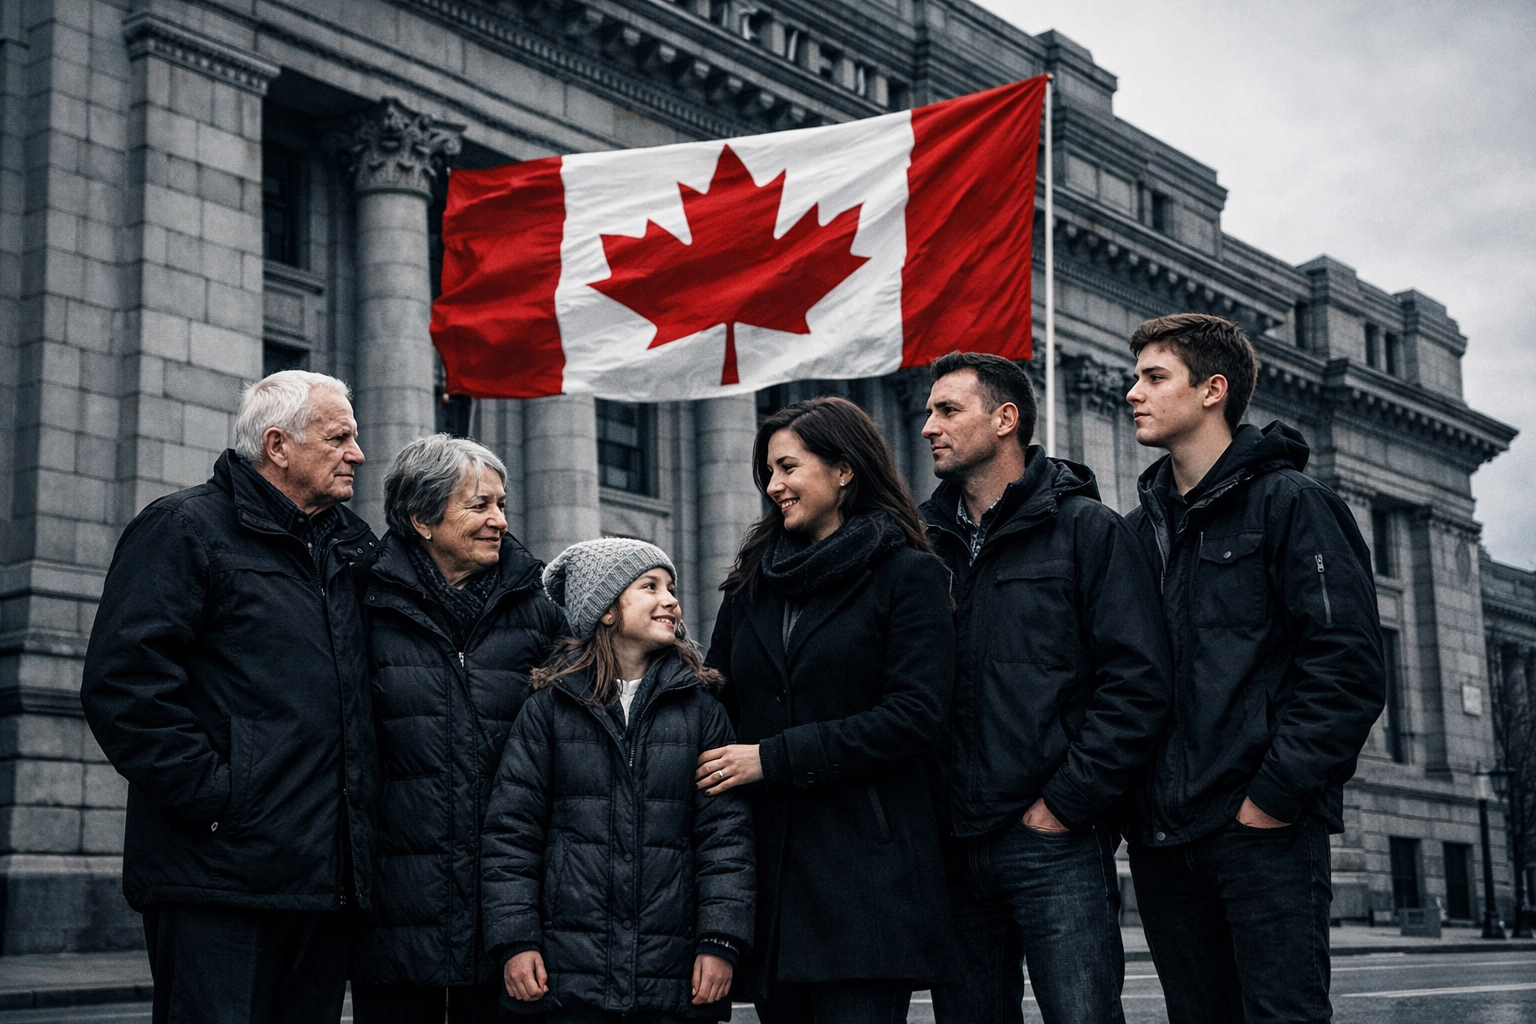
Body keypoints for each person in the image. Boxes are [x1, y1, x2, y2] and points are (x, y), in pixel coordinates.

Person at [80, 370, 378, 1024]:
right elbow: (124, 685)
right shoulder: (183, 528)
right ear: (278, 446)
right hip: (217, 880)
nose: (357, 454)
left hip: (323, 885)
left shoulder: (354, 552)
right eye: (338, 438)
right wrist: (219, 798)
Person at [1122, 314, 1385, 1024]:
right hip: (1163, 840)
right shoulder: (1136, 531)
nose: (1133, 393)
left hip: (1263, 833)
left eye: (1154, 377)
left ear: (1213, 390)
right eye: (1134, 377)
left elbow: (1347, 667)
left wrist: (1271, 798)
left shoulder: (1294, 504)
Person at [918, 352, 1173, 1024]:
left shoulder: (1088, 530)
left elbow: (1138, 682)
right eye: (927, 411)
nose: (928, 427)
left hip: (1053, 842)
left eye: (947, 410)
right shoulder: (919, 544)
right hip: (951, 846)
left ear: (1005, 419)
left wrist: (1066, 803)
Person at [701, 396, 956, 1024]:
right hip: (772, 885)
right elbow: (716, 699)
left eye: (788, 467)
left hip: (867, 884)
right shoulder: (750, 585)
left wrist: (773, 758)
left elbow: (915, 716)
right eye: (767, 472)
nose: (773, 486)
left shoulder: (909, 575)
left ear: (844, 470)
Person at [482, 538, 755, 1024]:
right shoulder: (548, 710)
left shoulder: (702, 712)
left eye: (671, 588)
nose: (670, 600)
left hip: (672, 977)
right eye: (650, 586)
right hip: (568, 978)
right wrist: (516, 940)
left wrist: (720, 941)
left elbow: (725, 838)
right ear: (605, 611)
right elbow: (511, 835)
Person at [351, 435, 567, 1024]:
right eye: (480, 505)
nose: (500, 520)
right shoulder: (361, 600)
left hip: (509, 917)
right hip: (395, 913)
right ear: (421, 519)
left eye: (502, 504)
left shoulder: (541, 610)